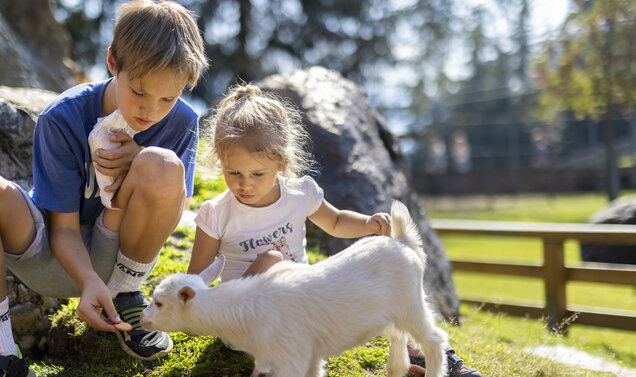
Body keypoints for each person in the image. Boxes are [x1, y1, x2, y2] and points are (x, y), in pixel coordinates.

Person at [0, 1, 208, 376]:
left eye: (168, 98)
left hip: (121, 258)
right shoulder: (64, 116)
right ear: (113, 63)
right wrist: (87, 280)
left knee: (163, 164)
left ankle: (126, 296)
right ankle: (0, 351)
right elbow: (64, 229)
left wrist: (141, 159)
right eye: (139, 92)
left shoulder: (182, 121)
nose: (151, 110)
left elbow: (172, 205)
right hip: (51, 252)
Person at [186, 84, 482, 377]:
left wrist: (367, 224)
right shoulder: (217, 213)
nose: (244, 184)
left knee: (364, 279)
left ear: (280, 162)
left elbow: (336, 221)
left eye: (257, 174)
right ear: (220, 162)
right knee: (273, 262)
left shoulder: (299, 194)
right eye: (233, 172)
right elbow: (195, 282)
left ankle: (415, 348)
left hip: (303, 308)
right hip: (244, 320)